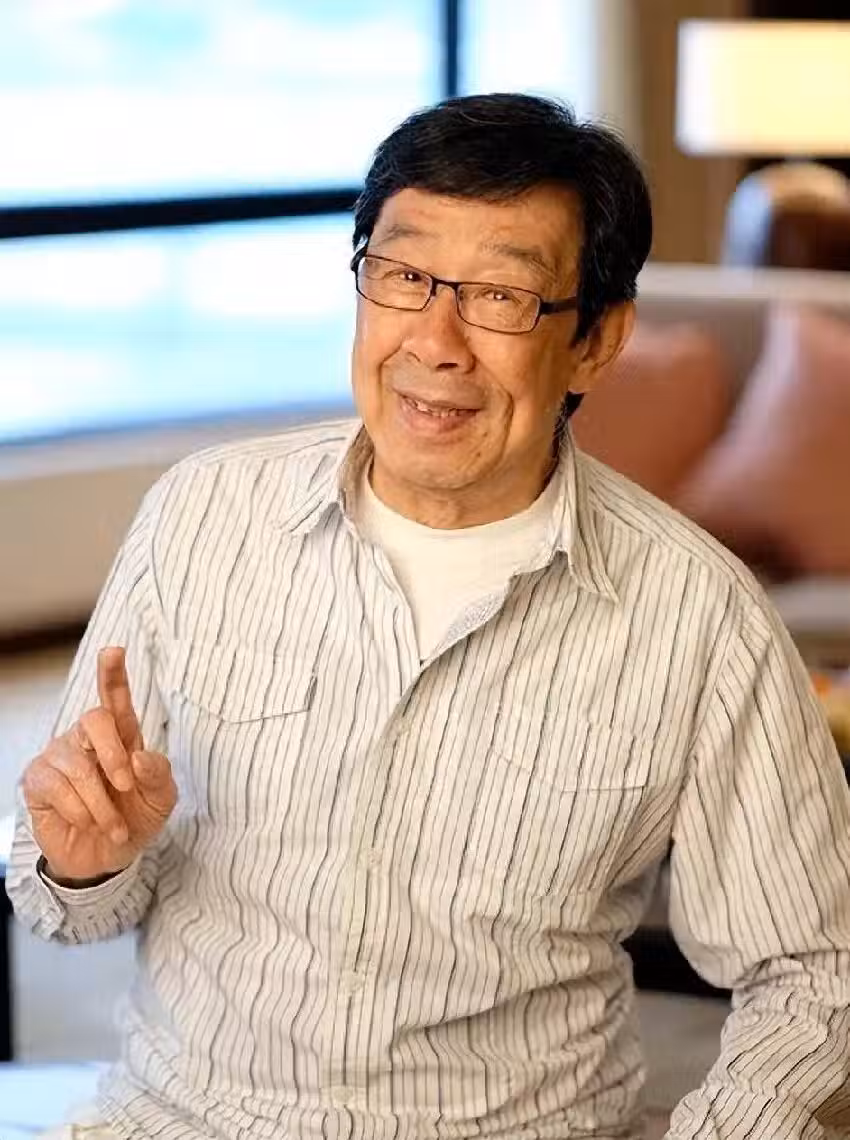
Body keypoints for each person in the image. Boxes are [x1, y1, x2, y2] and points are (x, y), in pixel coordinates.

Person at [8, 92, 850, 1140]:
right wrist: (86, 856)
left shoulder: (700, 617)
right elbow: (58, 894)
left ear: (596, 341)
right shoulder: (201, 516)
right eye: (403, 276)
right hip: (183, 1121)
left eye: (500, 295)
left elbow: (816, 971)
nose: (436, 342)